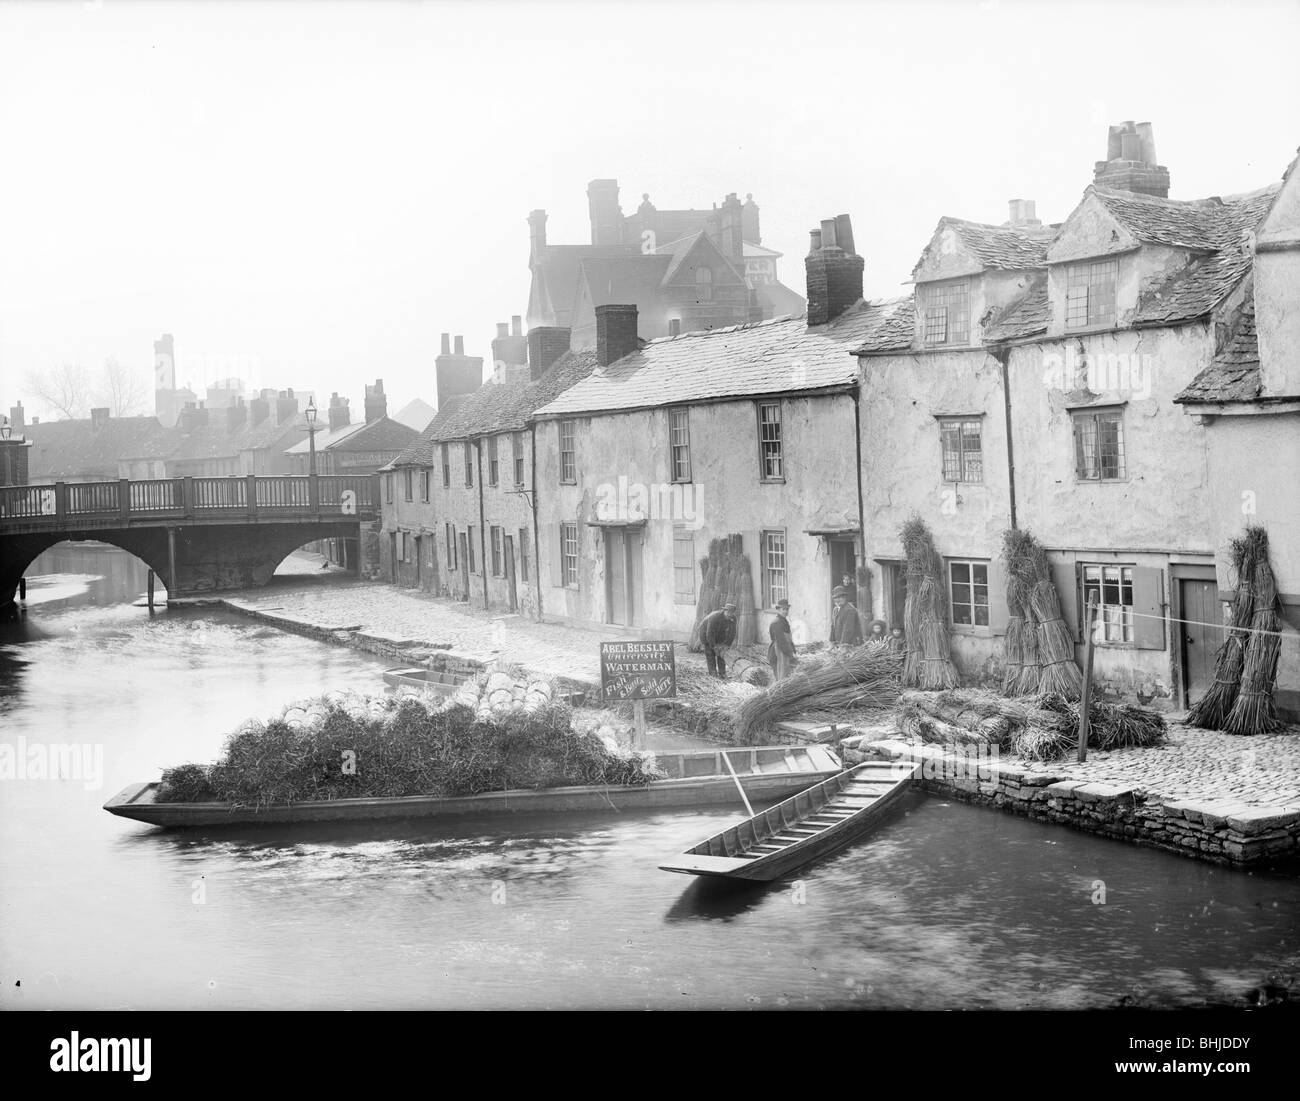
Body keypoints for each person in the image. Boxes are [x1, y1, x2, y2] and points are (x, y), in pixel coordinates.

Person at [699, 601, 738, 679]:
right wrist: (714, 647)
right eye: (728, 613)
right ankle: (713, 674)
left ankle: (722, 673)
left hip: (720, 634)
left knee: (722, 654)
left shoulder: (733, 618)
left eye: (731, 614)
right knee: (710, 653)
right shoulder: (715, 617)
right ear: (724, 611)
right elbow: (709, 633)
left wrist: (726, 645)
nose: (729, 616)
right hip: (705, 633)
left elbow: (732, 633)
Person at [767, 598, 797, 681]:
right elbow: (782, 642)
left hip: (784, 651)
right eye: (783, 609)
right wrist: (791, 654)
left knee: (785, 674)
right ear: (778, 609)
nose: (785, 611)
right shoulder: (777, 623)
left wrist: (793, 650)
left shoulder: (784, 621)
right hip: (779, 651)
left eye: (787, 609)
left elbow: (789, 639)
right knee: (782, 676)